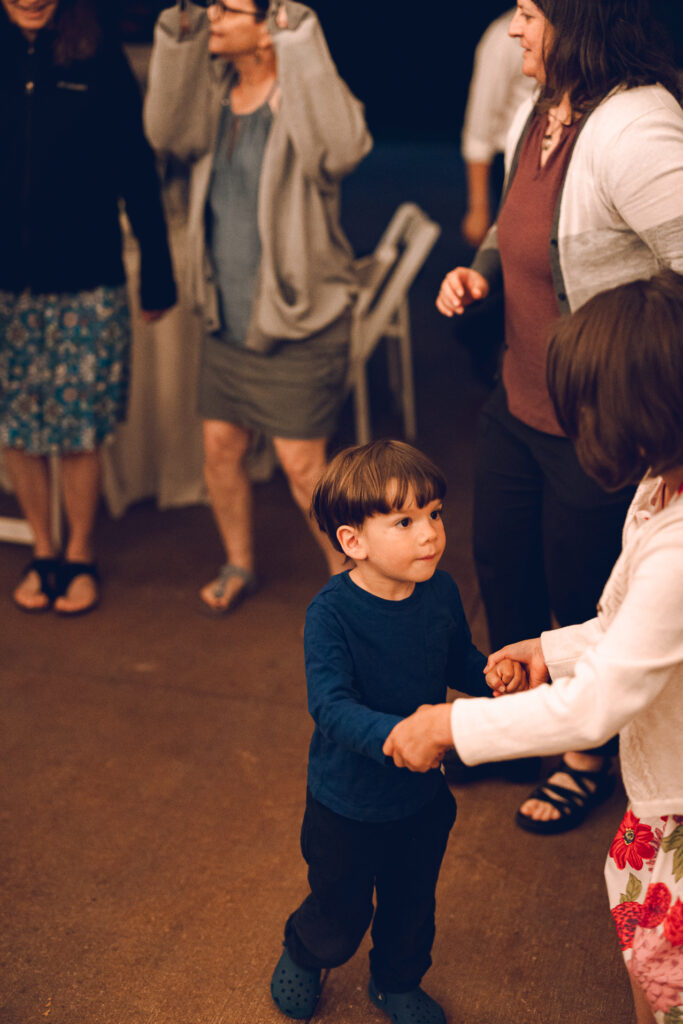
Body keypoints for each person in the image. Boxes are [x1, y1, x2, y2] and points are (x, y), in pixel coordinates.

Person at [384, 270, 683, 1024]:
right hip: (661, 786)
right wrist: (548, 651)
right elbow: (627, 625)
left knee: (666, 986)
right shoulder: (659, 486)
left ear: (642, 411)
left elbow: (595, 708)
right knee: (650, 974)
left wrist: (450, 727)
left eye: (584, 409)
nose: (574, 425)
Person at [436, 0, 683, 834]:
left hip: (594, 416)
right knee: (501, 564)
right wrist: (481, 273)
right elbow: (517, 227)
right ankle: (516, 726)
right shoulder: (542, 108)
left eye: (530, 12)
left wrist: (638, 364)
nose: (513, 29)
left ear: (581, 21)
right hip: (517, 395)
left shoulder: (636, 129)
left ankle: (584, 754)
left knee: (583, 588)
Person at [270, 440, 525, 1023]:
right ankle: (307, 951)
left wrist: (492, 676)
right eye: (405, 521)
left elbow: (454, 657)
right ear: (352, 542)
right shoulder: (330, 614)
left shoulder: (440, 591)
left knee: (413, 904)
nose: (429, 534)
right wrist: (397, 736)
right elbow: (330, 706)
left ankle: (396, 980)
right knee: (340, 910)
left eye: (434, 513)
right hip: (346, 803)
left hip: (422, 796)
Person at [143, 0, 372, 616]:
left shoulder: (300, 99)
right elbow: (163, 132)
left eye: (228, 8)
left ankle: (359, 595)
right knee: (220, 447)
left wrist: (301, 41)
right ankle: (238, 560)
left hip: (299, 319)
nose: (212, 15)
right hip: (229, 318)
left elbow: (345, 148)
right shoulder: (214, 97)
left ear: (270, 27)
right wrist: (177, 38)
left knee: (304, 470)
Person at [0, 0, 176, 615]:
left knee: (79, 427)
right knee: (17, 427)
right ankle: (42, 551)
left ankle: (79, 553)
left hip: (86, 274)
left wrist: (157, 265)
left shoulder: (92, 46)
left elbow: (134, 158)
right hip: (6, 284)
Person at [460, 8, 536, 248]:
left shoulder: (585, 32)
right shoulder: (503, 38)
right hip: (514, 164)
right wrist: (479, 209)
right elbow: (479, 130)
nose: (516, 28)